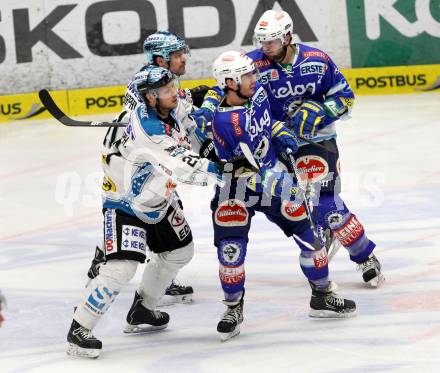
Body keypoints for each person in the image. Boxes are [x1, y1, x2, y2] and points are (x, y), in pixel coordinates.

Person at [66, 66, 251, 358]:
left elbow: (187, 108)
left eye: (174, 86)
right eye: (167, 90)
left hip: (158, 198)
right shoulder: (150, 132)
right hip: (126, 203)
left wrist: (205, 95)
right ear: (151, 98)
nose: (175, 92)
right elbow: (187, 168)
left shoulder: (166, 107)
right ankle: (79, 330)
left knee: (180, 250)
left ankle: (143, 310)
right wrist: (226, 169)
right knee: (121, 268)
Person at [209, 51, 356, 341]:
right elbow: (249, 168)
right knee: (231, 252)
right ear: (230, 82)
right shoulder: (226, 122)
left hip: (269, 177)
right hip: (237, 187)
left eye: (253, 73)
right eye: (247, 76)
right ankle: (233, 306)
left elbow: (266, 121)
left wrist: (279, 132)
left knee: (312, 240)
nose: (255, 79)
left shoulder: (256, 90)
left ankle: (322, 296)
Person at [248, 9, 385, 287]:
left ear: (287, 36)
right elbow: (233, 96)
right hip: (273, 145)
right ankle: (320, 233)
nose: (265, 47)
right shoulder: (251, 65)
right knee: (292, 205)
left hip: (315, 140)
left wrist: (323, 110)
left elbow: (345, 97)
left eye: (271, 41)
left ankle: (364, 257)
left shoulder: (317, 61)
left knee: (328, 204)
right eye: (261, 41)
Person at [88, 31, 219, 305]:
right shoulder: (144, 84)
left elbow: (178, 115)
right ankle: (103, 261)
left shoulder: (163, 80)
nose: (183, 58)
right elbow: (156, 126)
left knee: (159, 213)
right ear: (161, 58)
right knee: (147, 212)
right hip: (139, 166)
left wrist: (189, 99)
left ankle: (143, 272)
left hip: (155, 162)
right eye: (177, 55)